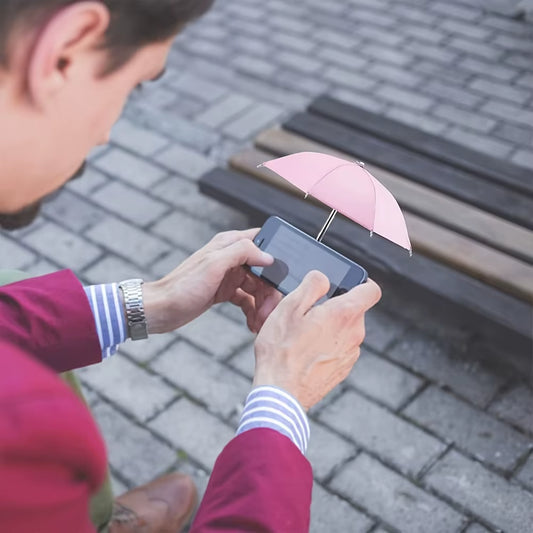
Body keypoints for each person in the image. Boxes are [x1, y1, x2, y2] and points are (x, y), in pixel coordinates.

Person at [0, 1, 382, 532]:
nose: (106, 134)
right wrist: (282, 399)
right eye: (135, 85)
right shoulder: (23, 437)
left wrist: (149, 302)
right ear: (65, 52)